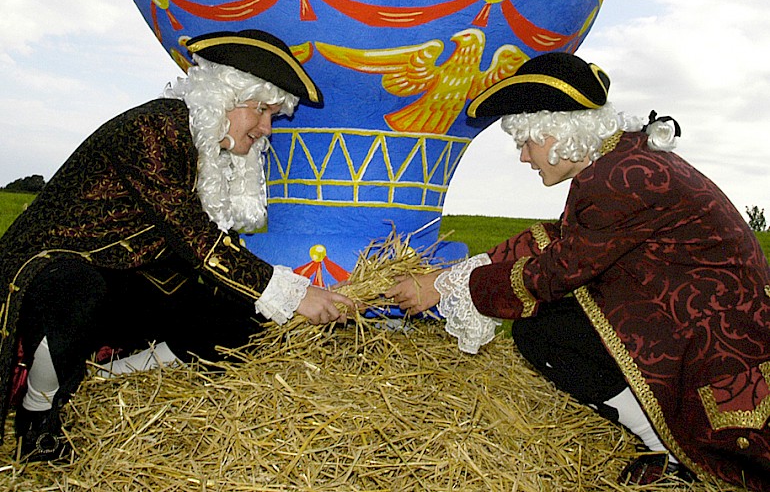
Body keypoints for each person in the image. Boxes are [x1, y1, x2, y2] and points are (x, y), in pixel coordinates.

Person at [385, 52, 770, 489]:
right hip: (703, 321)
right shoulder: (622, 159)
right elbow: (564, 236)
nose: (524, 157)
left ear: (558, 133)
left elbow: (556, 272)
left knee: (545, 334)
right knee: (557, 327)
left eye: (526, 142)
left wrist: (453, 289)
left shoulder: (617, 178)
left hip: (715, 345)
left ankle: (668, 449)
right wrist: (463, 271)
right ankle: (657, 437)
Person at [0, 29, 354, 462]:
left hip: (126, 275)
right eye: (262, 111)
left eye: (273, 116)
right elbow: (197, 239)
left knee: (240, 318)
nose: (266, 129)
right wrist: (293, 292)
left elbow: (214, 249)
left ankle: (107, 378)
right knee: (77, 290)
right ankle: (37, 413)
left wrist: (269, 296)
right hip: (51, 274)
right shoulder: (154, 129)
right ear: (223, 97)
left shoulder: (208, 149)